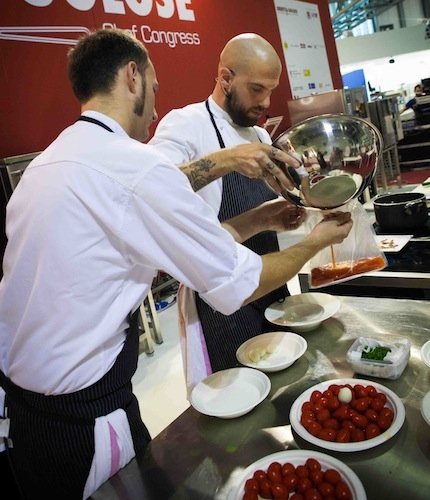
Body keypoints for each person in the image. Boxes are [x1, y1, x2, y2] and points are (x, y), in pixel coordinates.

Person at [0, 28, 352, 499]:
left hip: (25, 415)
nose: (156, 107)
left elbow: (182, 238)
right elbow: (234, 277)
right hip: (84, 419)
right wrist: (315, 242)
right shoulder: (135, 164)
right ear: (132, 77)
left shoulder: (44, 165)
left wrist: (261, 217)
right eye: (155, 87)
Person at [150, 33, 309, 376]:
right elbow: (151, 188)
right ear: (225, 78)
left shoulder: (262, 135)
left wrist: (281, 212)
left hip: (270, 281)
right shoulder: (185, 124)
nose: (267, 102)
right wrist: (228, 160)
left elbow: (266, 208)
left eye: (271, 90)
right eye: (256, 89)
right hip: (222, 302)